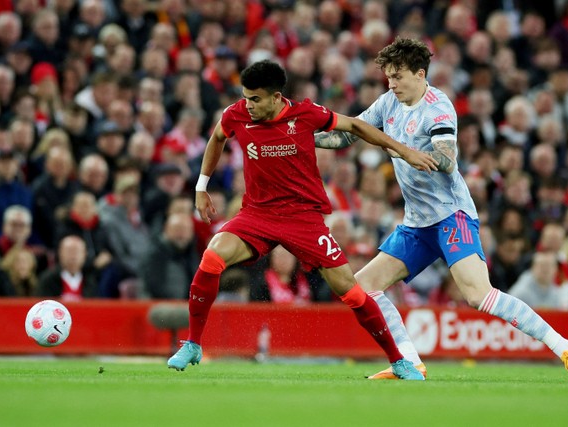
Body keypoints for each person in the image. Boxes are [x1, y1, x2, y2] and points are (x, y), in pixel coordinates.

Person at [314, 38, 568, 382]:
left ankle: (566, 347)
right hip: (417, 223)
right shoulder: (388, 103)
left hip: (451, 215)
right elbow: (347, 136)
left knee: (479, 295)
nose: (391, 84)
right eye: (388, 77)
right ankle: (409, 363)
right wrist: (299, 133)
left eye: (398, 76)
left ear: (420, 73)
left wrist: (399, 148)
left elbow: (447, 161)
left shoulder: (439, 108)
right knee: (364, 286)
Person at [166, 60, 436, 380]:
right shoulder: (236, 114)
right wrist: (201, 186)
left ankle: (398, 360)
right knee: (212, 257)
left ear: (276, 97)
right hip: (257, 214)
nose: (247, 106)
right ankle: (194, 343)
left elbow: (356, 126)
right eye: (245, 97)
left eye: (256, 99)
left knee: (349, 290)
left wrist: (404, 151)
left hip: (303, 218)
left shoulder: (307, 114)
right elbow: (216, 138)